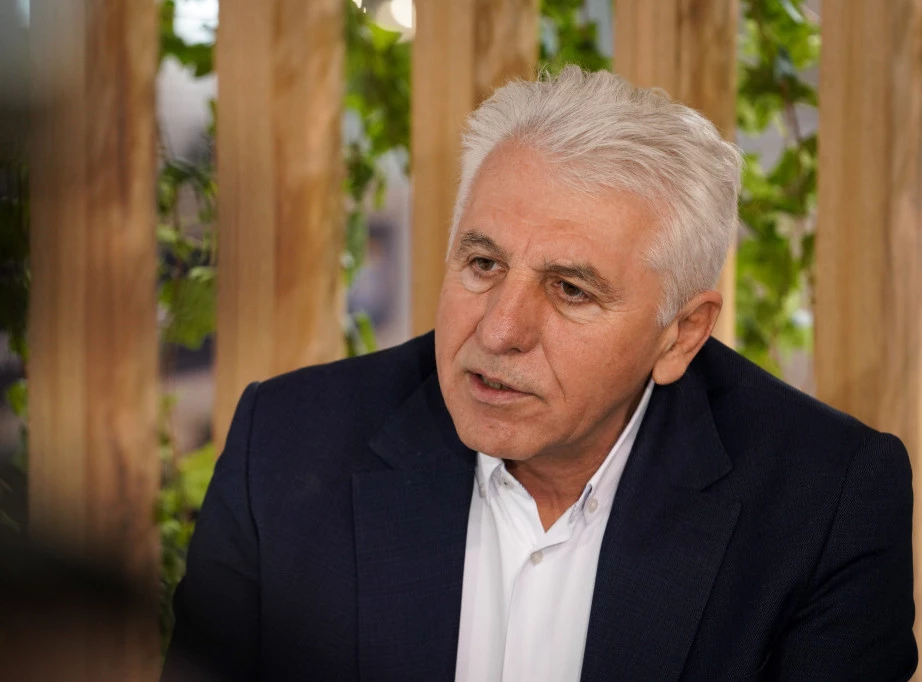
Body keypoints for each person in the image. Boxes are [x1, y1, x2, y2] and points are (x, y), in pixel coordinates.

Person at [162, 67, 916, 681]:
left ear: (681, 334)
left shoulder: (824, 502)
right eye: (483, 263)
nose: (499, 331)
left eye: (571, 290)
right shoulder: (286, 446)